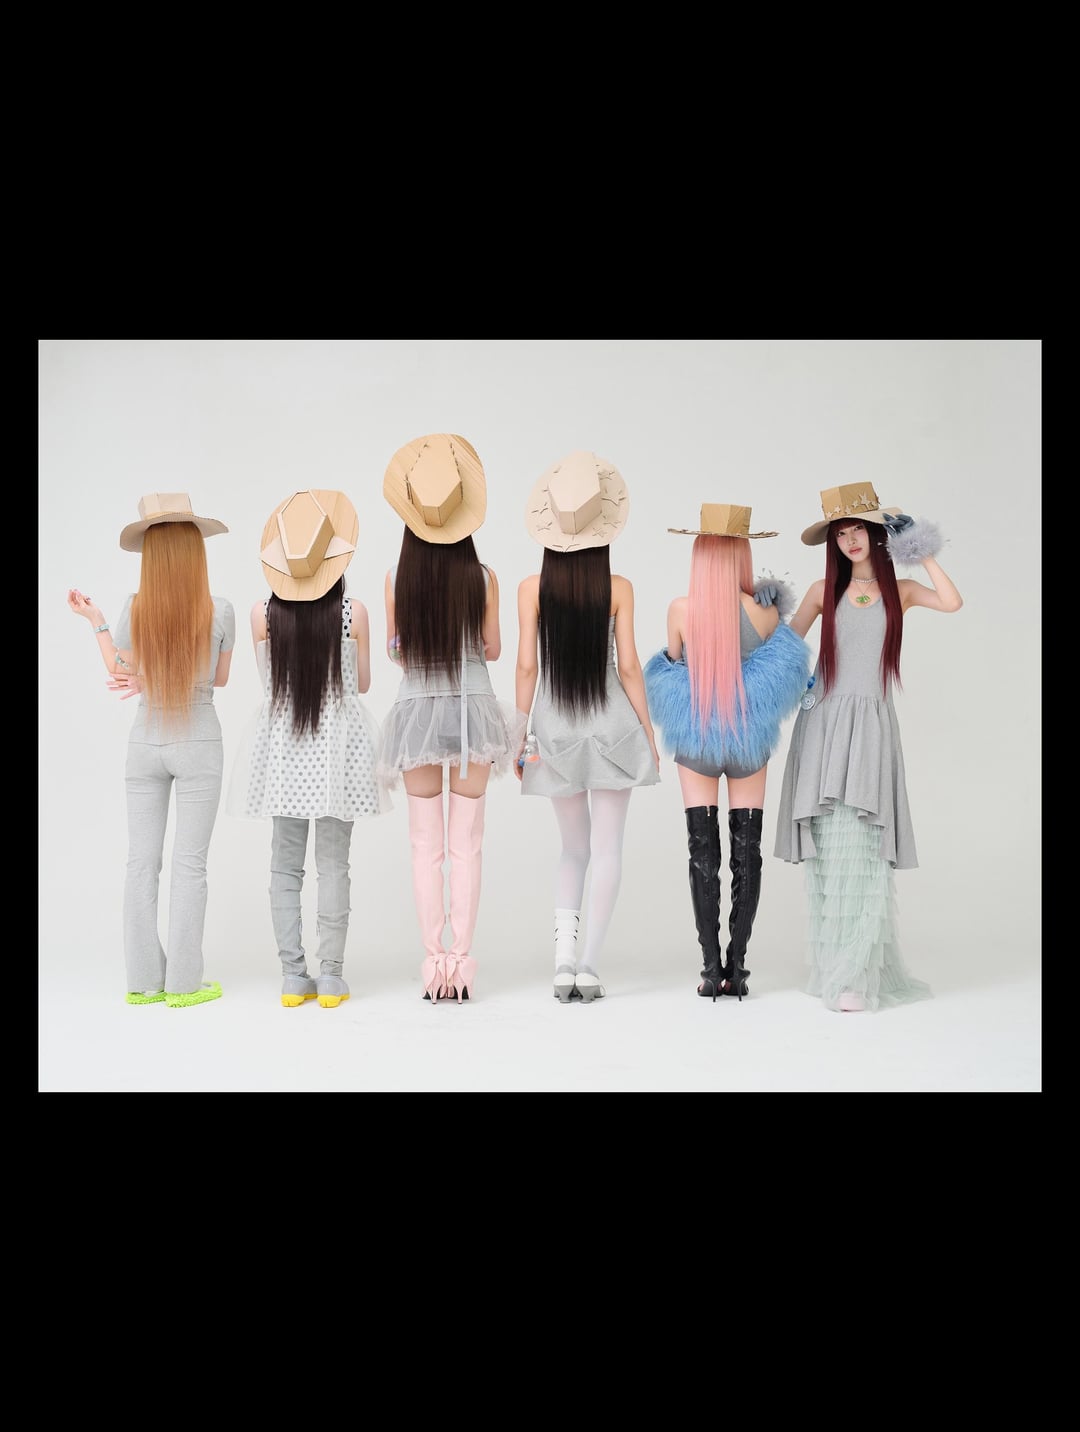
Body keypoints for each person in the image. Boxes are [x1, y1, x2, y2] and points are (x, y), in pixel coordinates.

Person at [773, 484, 963, 1012]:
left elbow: (952, 601)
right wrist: (760, 607)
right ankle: (838, 969)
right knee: (830, 851)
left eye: (859, 529)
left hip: (871, 724)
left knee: (863, 845)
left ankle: (856, 975)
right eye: (841, 533)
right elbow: (782, 650)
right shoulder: (822, 590)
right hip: (823, 722)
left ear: (878, 534)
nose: (851, 540)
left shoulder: (900, 590)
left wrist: (919, 549)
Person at [66, 493, 234, 1007]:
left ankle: (143, 982)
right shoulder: (221, 610)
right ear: (195, 552)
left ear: (151, 557)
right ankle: (184, 984)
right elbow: (219, 679)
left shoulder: (134, 608)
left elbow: (121, 669)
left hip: (144, 740)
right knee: (190, 865)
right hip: (199, 737)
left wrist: (95, 619)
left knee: (141, 863)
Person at [226, 490, 390, 1009]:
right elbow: (362, 684)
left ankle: (293, 977)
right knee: (334, 865)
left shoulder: (262, 614)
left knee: (284, 866)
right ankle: (333, 978)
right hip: (339, 748)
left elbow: (268, 684)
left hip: (283, 748)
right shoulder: (354, 613)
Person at [644, 503, 811, 1001]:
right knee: (746, 851)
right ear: (742, 555)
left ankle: (709, 968)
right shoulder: (765, 611)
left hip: (696, 736)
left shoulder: (680, 609)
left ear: (700, 556)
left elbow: (674, 667)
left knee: (702, 851)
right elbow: (783, 665)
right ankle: (737, 969)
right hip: (747, 739)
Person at [379, 434, 523, 1004]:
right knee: (467, 843)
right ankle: (460, 961)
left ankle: (432, 961)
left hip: (417, 710)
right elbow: (493, 649)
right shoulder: (483, 578)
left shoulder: (397, 579)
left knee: (425, 845)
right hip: (471, 711)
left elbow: (396, 653)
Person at [515, 449, 660, 1003]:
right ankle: (590, 967)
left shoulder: (532, 589)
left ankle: (561, 964)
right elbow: (629, 668)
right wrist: (647, 732)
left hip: (555, 729)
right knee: (609, 850)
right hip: (614, 728)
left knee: (572, 850)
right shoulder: (618, 588)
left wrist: (519, 734)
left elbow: (526, 667)